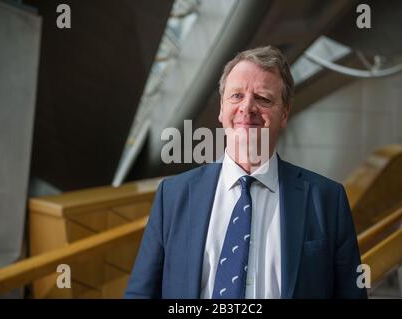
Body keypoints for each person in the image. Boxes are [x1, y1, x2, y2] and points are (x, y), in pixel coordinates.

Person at [125, 46, 367, 299]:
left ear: (284, 114)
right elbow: (141, 294)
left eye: (263, 98)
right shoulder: (173, 196)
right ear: (221, 109)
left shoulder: (328, 199)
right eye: (237, 96)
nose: (247, 107)